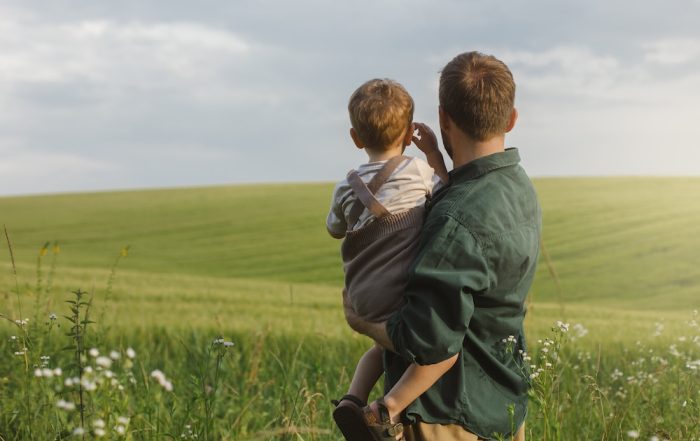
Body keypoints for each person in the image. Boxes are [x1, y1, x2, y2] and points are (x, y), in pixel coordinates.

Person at [344, 51, 541, 441]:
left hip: (448, 415)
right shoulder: (519, 188)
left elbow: (427, 341)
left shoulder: (454, 219)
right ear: (512, 119)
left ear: (444, 119)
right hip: (503, 404)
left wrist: (362, 321)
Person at [326, 78, 454, 441]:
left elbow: (335, 230)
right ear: (409, 131)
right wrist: (433, 154)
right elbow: (446, 190)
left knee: (380, 347)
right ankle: (386, 410)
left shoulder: (346, 186)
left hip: (362, 295)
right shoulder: (417, 171)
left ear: (356, 137)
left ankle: (351, 399)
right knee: (442, 351)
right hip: (399, 292)